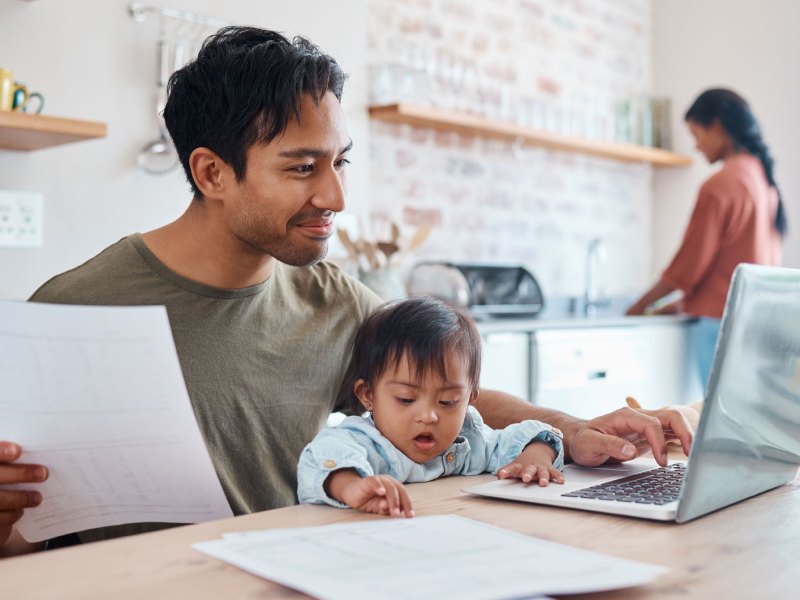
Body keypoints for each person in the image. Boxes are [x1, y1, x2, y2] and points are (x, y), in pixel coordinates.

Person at [0, 26, 693, 557]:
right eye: (302, 167)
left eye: (339, 162)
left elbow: (447, 390)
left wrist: (575, 430)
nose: (334, 195)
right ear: (212, 174)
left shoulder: (331, 300)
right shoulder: (72, 309)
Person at [298, 297, 565, 516]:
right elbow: (322, 458)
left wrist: (535, 457)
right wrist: (353, 487)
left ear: (470, 397)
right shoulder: (363, 442)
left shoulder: (466, 442)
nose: (428, 416)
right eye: (406, 399)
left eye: (448, 402)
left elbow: (530, 435)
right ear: (367, 395)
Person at [627, 88, 786, 390]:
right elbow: (735, 265)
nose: (696, 146)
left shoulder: (720, 185)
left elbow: (687, 268)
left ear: (716, 126)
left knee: (710, 423)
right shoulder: (764, 182)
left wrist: (637, 307)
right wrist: (683, 303)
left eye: (696, 134)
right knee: (739, 426)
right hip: (757, 322)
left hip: (719, 326)